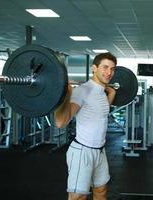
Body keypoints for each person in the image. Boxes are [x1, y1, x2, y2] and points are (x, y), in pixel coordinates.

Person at [54, 52, 117, 200]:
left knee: (101, 191)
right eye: (105, 67)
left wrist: (112, 91)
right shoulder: (82, 91)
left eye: (112, 69)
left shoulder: (101, 92)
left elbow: (102, 110)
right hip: (83, 152)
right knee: (78, 197)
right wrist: (65, 95)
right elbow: (60, 123)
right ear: (94, 68)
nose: (109, 72)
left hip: (100, 151)